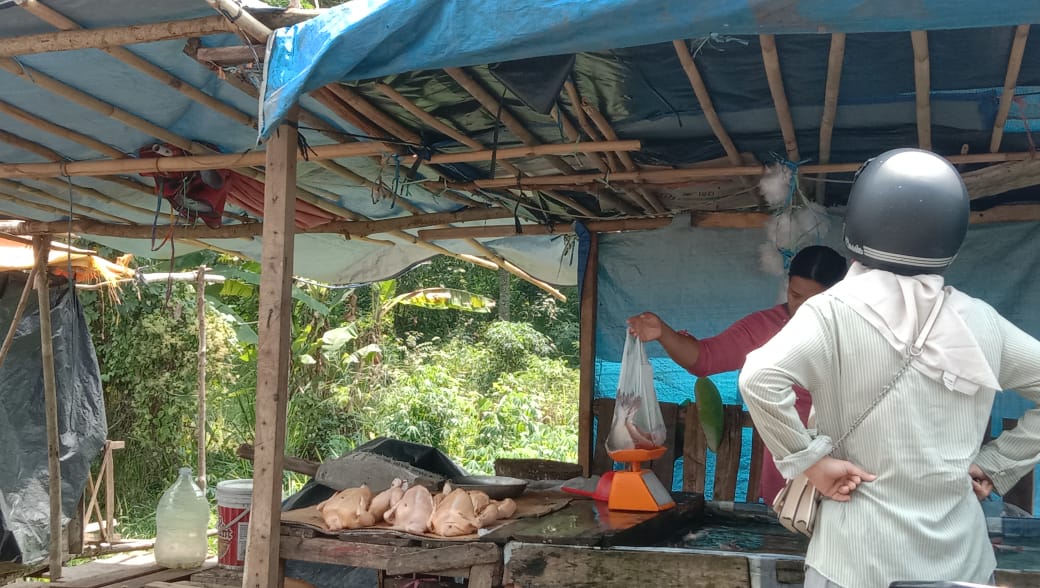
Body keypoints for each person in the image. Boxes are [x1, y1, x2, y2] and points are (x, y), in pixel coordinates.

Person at [739, 148, 1040, 588]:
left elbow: (758, 377)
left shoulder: (832, 312)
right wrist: (998, 464)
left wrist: (812, 464)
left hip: (853, 562)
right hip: (961, 564)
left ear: (861, 221)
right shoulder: (981, 322)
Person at [626, 244, 847, 503]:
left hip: (846, 478)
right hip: (785, 488)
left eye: (815, 302)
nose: (801, 309)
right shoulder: (765, 327)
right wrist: (663, 333)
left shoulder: (858, 334)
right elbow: (704, 359)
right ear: (787, 284)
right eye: (796, 296)